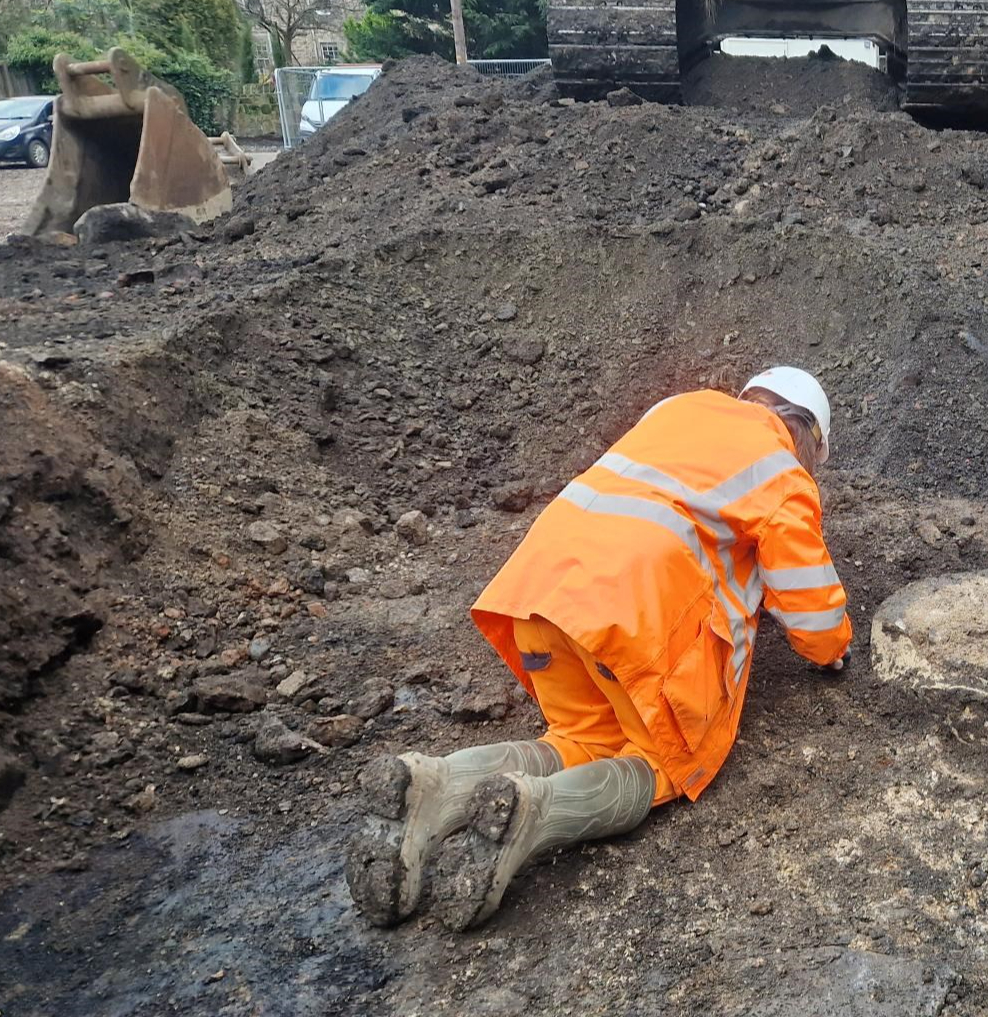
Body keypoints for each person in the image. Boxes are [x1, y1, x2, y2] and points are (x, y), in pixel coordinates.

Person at [345, 367, 852, 930]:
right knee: (660, 759)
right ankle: (537, 815)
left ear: (752, 396)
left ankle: (439, 783)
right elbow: (810, 601)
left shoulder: (678, 409)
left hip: (541, 594)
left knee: (579, 737)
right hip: (631, 617)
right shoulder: (780, 468)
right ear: (809, 437)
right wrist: (831, 651)